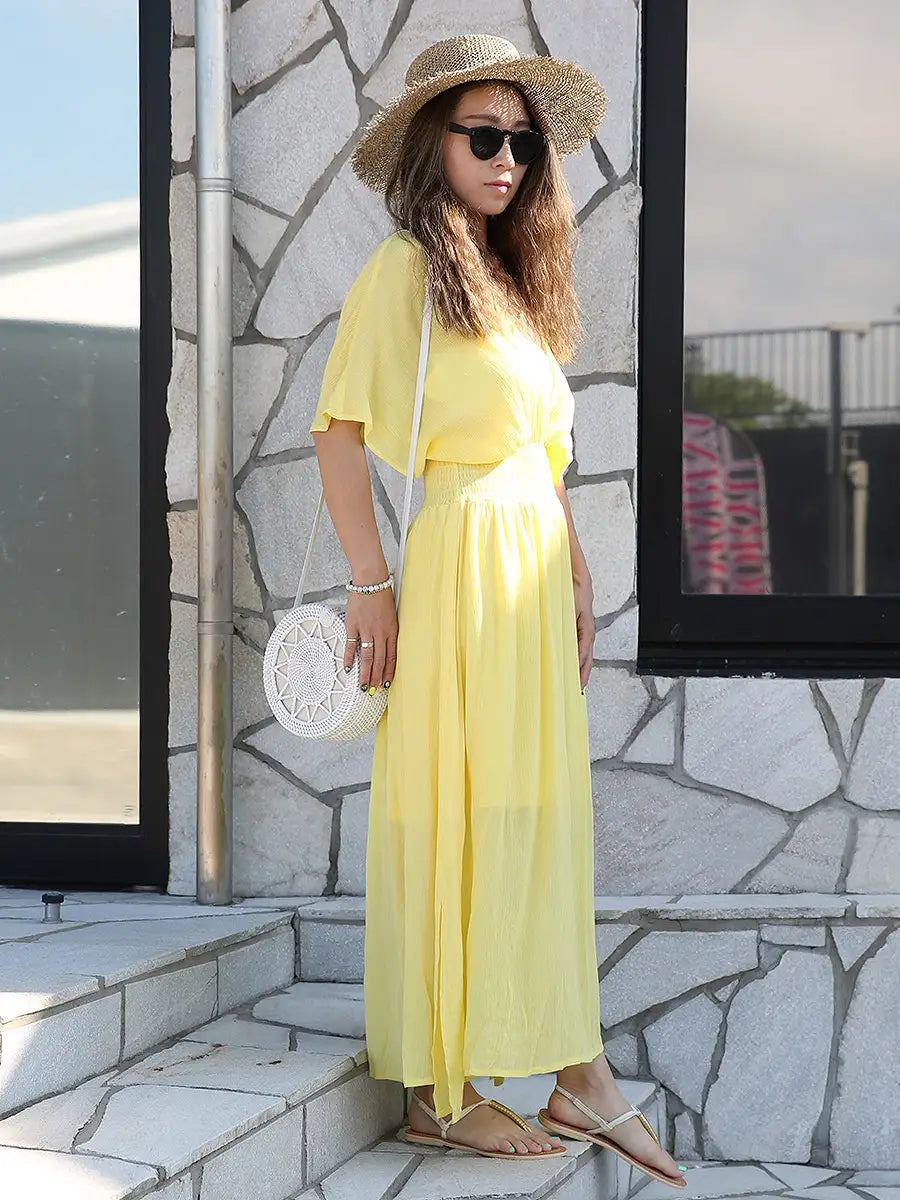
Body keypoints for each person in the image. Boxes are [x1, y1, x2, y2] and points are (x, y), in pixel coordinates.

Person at [309, 33, 686, 1188]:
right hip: (462, 566)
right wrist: (370, 583)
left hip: (529, 573)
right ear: (437, 143)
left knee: (534, 818)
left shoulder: (516, 283)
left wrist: (578, 578)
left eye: (523, 142)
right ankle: (447, 1088)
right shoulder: (404, 273)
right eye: (485, 135)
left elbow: (546, 458)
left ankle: (570, 1067)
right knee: (455, 813)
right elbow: (338, 433)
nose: (508, 158)